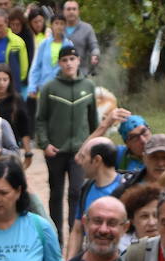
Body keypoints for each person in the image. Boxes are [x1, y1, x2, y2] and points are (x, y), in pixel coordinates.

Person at [35, 46, 97, 244]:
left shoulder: (88, 86)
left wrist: (93, 145)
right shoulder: (49, 88)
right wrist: (44, 143)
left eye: (72, 59)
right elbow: (40, 119)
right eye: (65, 60)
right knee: (56, 193)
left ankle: (74, 237)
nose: (69, 63)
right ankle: (56, 238)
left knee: (76, 192)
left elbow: (93, 120)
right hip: (55, 150)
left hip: (80, 152)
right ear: (59, 64)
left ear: (78, 61)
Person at [64, 137, 126, 257]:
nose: (79, 162)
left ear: (97, 160)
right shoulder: (86, 188)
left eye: (83, 157)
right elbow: (77, 230)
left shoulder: (126, 189)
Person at [0, 66, 31, 161]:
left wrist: (28, 152)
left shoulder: (16, 100)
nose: (1, 83)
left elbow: (24, 128)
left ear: (10, 81)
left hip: (11, 149)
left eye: (5, 80)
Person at [117, 181, 161, 251]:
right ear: (132, 220)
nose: (151, 223)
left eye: (156, 215)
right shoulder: (120, 248)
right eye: (144, 216)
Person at [61, 0, 99, 75]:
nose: (71, 12)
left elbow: (94, 46)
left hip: (81, 73)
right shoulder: (58, 28)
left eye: (74, 9)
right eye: (68, 9)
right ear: (63, 11)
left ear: (78, 11)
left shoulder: (87, 28)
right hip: (60, 73)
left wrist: (95, 55)